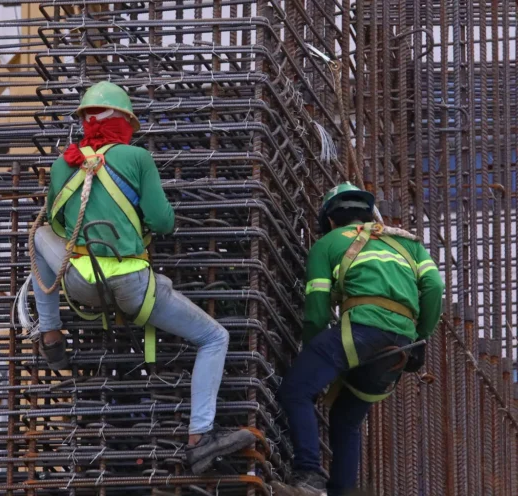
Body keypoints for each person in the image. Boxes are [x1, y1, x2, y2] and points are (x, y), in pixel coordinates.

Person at [29, 81, 256, 474]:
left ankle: (49, 333)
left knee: (37, 237)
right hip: (136, 289)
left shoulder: (63, 163)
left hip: (80, 283)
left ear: (84, 121)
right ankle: (200, 437)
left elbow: (57, 223)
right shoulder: (137, 158)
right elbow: (163, 222)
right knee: (214, 337)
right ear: (125, 123)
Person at [272, 183, 444, 496]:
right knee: (346, 418)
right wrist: (421, 337)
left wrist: (313, 352)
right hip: (401, 346)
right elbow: (434, 287)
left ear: (331, 221)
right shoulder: (408, 244)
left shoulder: (328, 243)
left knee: (297, 391)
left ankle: (309, 475)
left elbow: (316, 311)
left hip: (361, 331)